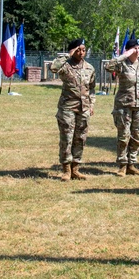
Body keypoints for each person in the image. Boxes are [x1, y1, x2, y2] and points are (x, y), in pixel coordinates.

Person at [50, 38, 97, 181]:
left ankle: (76, 168)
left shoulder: (89, 68)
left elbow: (92, 88)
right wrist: (67, 55)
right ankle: (66, 169)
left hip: (84, 109)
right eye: (78, 50)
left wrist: (91, 105)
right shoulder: (65, 66)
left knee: (80, 138)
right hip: (67, 108)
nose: (81, 52)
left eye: (83, 50)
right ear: (72, 51)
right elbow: (53, 67)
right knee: (67, 139)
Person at [103, 38, 139, 177]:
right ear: (129, 50)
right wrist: (124, 55)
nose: (138, 51)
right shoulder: (121, 64)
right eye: (135, 48)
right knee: (124, 136)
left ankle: (132, 164)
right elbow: (108, 67)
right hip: (124, 105)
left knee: (137, 136)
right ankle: (122, 165)